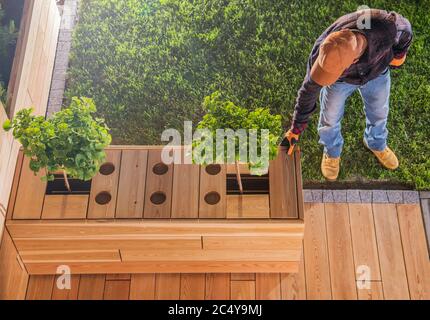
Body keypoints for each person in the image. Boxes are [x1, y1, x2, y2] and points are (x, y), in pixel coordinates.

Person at [282, 9, 413, 181]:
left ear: (352, 61)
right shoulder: (321, 55)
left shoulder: (386, 28)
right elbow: (308, 92)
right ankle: (332, 151)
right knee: (329, 118)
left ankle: (376, 143)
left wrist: (399, 55)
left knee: (379, 112)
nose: (324, 80)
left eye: (328, 75)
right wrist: (295, 130)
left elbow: (405, 32)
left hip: (376, 72)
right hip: (341, 83)